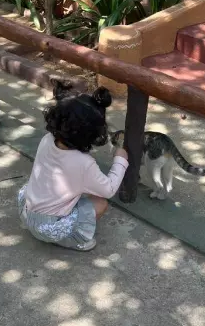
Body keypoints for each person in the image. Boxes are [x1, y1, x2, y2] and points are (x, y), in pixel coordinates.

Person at [17, 85, 129, 251]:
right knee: (100, 203)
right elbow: (109, 189)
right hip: (49, 229)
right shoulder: (84, 163)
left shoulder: (47, 139)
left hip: (26, 212)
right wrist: (121, 160)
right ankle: (73, 239)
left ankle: (43, 228)